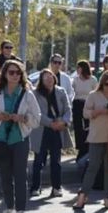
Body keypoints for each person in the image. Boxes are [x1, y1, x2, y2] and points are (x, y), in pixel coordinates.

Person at [0, 60, 41, 213]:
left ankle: (21, 212)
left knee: (20, 175)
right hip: (1, 139)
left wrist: (23, 118)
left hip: (20, 139)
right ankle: (9, 210)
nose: (15, 75)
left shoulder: (27, 94)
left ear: (22, 75)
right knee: (5, 176)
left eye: (18, 73)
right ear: (5, 74)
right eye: (11, 72)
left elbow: (37, 119)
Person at [73, 70, 108, 210]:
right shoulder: (93, 95)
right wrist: (99, 111)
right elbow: (85, 113)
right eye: (106, 84)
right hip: (96, 137)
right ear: (101, 84)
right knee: (92, 167)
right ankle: (82, 196)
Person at [29, 69, 72, 197]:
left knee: (56, 161)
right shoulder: (35, 93)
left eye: (51, 76)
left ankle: (56, 187)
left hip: (58, 129)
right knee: (38, 161)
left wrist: (64, 122)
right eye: (45, 77)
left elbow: (68, 109)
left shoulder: (61, 91)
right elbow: (35, 113)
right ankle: (35, 187)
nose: (49, 79)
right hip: (42, 130)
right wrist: (50, 123)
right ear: (41, 80)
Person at [71, 60, 98, 161]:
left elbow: (96, 92)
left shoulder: (92, 79)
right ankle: (80, 149)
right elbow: (72, 92)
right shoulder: (75, 79)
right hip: (77, 104)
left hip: (88, 104)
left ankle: (86, 149)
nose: (77, 70)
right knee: (78, 128)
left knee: (88, 127)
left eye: (79, 67)